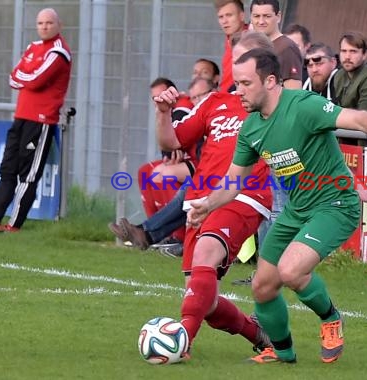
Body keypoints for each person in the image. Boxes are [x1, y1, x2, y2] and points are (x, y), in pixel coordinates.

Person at [187, 48, 367, 364]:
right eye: (237, 83)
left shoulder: (304, 106)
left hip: (335, 205)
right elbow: (232, 182)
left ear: (270, 81)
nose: (238, 91)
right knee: (262, 287)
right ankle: (283, 352)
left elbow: (355, 117)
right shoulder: (251, 129)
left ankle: (330, 318)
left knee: (290, 270)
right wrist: (207, 205)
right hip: (297, 211)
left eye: (246, 83)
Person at [120, 59, 276, 359]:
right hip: (199, 201)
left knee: (205, 258)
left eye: (246, 80)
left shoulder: (272, 108)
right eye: (238, 80)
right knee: (206, 301)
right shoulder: (215, 102)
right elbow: (172, 139)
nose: (240, 85)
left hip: (243, 196)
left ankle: (181, 342)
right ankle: (258, 333)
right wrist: (162, 112)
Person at [0, 8, 71, 233]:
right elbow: (13, 77)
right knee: (7, 171)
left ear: (59, 25)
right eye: (40, 23)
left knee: (28, 175)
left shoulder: (59, 52)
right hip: (21, 117)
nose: (44, 27)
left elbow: (34, 79)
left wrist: (24, 76)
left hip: (41, 120)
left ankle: (13, 226)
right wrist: (24, 76)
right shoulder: (32, 48)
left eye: (49, 23)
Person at [110, 78, 216, 257]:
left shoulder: (190, 106)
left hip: (222, 173)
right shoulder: (199, 111)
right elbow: (173, 141)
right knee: (154, 174)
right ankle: (148, 233)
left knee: (182, 184)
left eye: (202, 95)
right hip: (209, 170)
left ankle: (154, 234)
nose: (197, 100)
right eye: (195, 96)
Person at [250, 0, 302, 89]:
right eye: (256, 16)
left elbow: (294, 93)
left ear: (278, 17)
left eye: (267, 16)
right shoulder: (253, 47)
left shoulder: (287, 48)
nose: (261, 21)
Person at [214, 0, 248, 93]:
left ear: (242, 16)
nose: (224, 21)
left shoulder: (250, 39)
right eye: (221, 17)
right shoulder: (229, 39)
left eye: (229, 15)